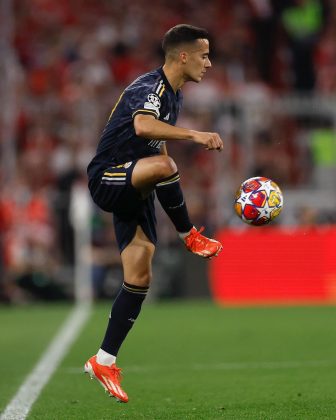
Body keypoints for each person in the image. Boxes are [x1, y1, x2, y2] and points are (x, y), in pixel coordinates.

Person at [84, 24, 224, 403]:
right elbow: (143, 126)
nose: (209, 63)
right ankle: (189, 235)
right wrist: (196, 135)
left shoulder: (174, 95)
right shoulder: (150, 88)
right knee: (165, 167)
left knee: (140, 274)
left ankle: (103, 360)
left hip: (135, 184)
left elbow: (156, 146)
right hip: (109, 176)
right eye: (204, 55)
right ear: (183, 55)